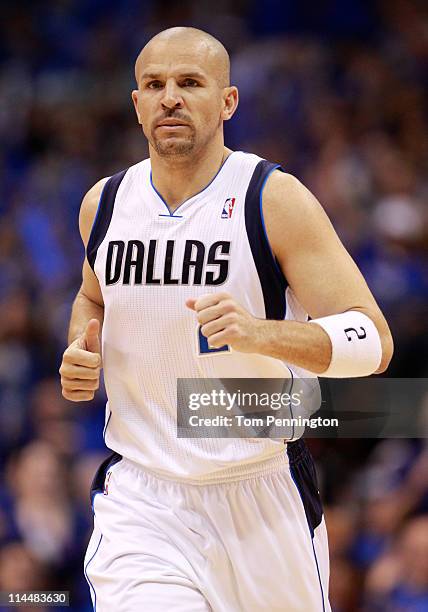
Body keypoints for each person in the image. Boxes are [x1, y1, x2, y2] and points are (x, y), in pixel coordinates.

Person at [59, 26, 393, 612]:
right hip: (142, 499)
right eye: (154, 85)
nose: (170, 98)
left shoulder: (273, 198)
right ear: (136, 105)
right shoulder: (104, 203)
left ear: (228, 101)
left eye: (190, 83)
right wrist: (80, 352)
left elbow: (373, 340)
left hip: (261, 489)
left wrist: (261, 334)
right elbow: (92, 299)